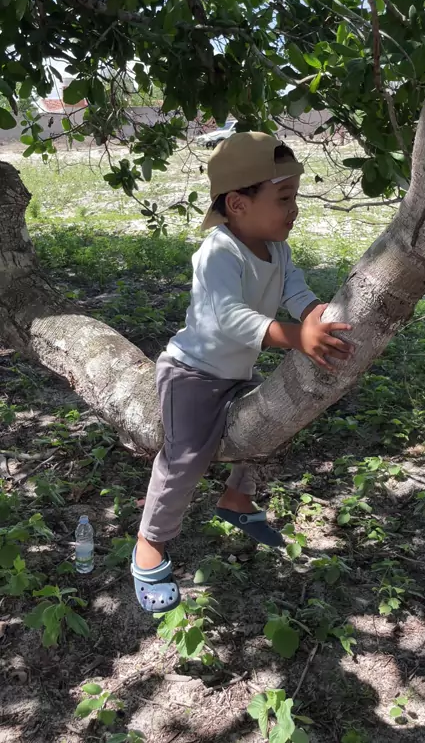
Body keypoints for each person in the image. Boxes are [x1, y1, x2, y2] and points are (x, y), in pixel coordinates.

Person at [131, 132, 354, 612]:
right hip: (192, 375)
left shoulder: (277, 249)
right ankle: (150, 541)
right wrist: (296, 336)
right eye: (284, 198)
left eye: (295, 197)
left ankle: (236, 497)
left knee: (269, 426)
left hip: (235, 374)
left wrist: (313, 311)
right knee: (185, 458)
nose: (294, 210)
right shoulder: (219, 252)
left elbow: (294, 288)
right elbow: (229, 317)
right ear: (237, 203)